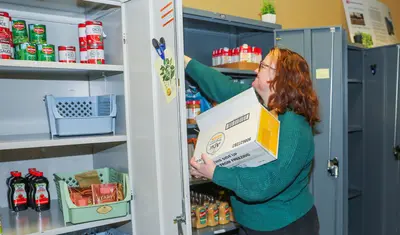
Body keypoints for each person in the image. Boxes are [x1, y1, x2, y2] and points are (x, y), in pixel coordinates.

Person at [186, 47, 320, 235]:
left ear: (279, 77)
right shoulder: (259, 104)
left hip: (284, 226)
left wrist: (215, 173)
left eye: (262, 66)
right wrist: (186, 62)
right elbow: (224, 88)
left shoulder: (295, 130)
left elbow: (263, 183)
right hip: (251, 224)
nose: (255, 71)